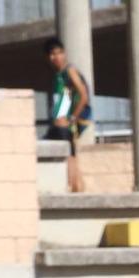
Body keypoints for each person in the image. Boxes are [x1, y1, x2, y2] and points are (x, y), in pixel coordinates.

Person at [43, 36, 90, 194]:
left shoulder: (69, 70)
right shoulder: (58, 75)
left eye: (59, 53)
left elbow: (84, 95)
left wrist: (73, 118)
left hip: (65, 126)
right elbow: (65, 98)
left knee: (70, 158)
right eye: (52, 54)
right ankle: (76, 188)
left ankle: (76, 190)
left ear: (64, 54)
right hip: (57, 124)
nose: (56, 57)